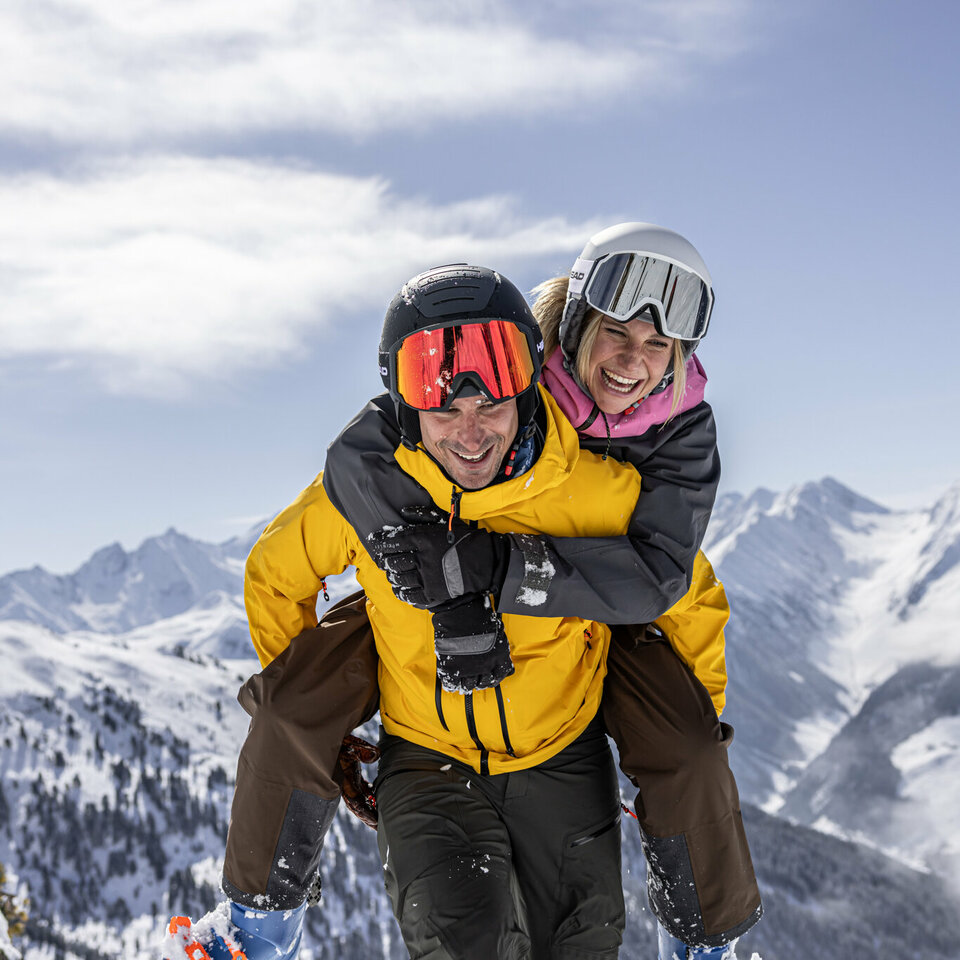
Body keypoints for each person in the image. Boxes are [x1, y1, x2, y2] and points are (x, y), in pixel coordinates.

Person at [164, 228, 760, 959]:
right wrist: (333, 706)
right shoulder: (378, 480)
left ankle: (705, 946)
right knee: (294, 718)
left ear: (524, 385)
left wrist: (680, 730)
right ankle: (255, 936)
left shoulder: (615, 486)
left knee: (585, 937)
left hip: (563, 734)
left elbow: (683, 588)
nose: (469, 429)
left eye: (657, 343)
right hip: (429, 753)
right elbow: (278, 570)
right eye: (615, 332)